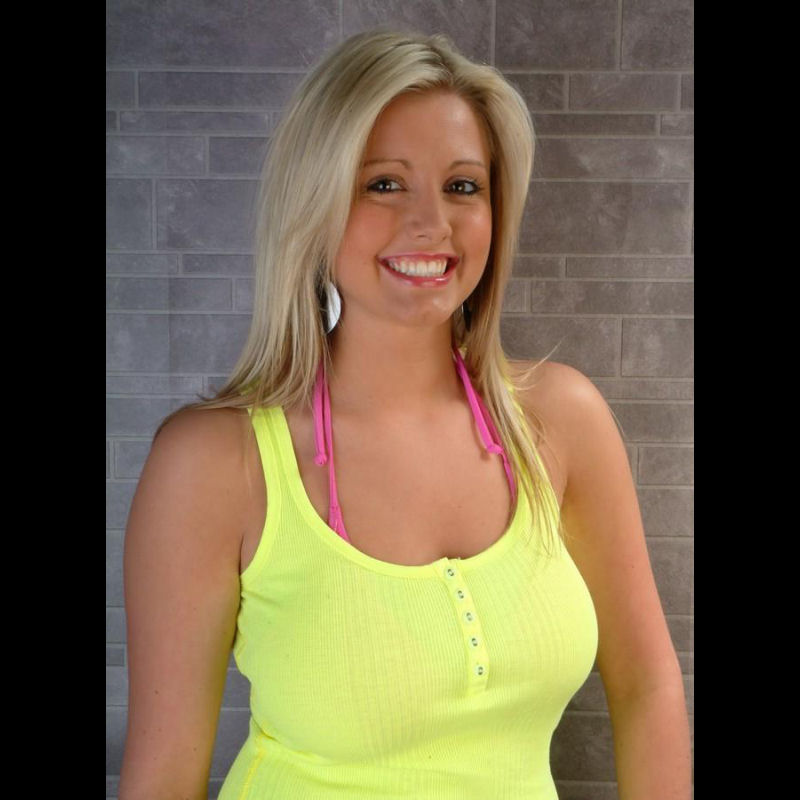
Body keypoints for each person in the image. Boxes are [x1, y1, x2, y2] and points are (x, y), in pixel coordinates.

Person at [118, 29, 691, 800]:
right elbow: (163, 779)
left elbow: (648, 684)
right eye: (384, 184)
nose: (432, 223)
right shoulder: (216, 463)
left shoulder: (560, 422)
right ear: (315, 203)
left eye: (463, 186)